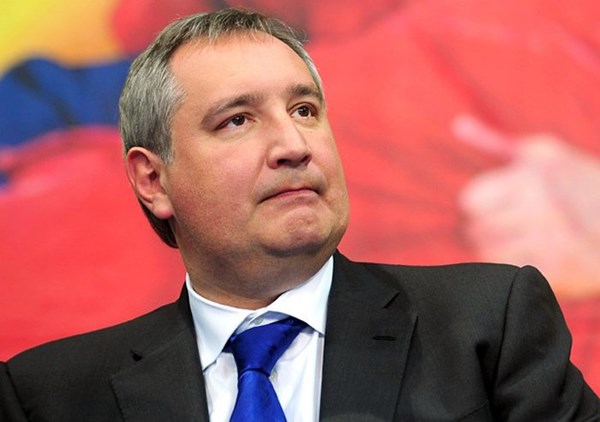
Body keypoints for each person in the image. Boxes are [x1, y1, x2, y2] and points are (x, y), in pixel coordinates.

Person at [0, 7, 598, 421]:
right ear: (152, 180)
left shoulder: (488, 324)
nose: (294, 145)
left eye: (306, 110)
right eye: (237, 120)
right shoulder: (46, 395)